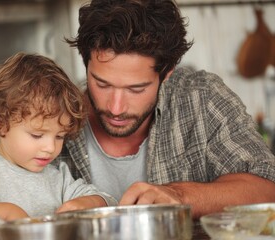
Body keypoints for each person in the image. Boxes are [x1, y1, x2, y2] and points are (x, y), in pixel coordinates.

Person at [55, 0, 275, 219]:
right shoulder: (52, 112)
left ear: (167, 72)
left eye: (136, 89)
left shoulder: (202, 98)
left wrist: (179, 195)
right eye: (102, 84)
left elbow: (268, 188)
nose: (116, 107)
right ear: (86, 64)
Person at [0, 52, 117, 220]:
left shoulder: (58, 177)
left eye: (59, 136)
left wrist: (85, 203)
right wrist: (11, 213)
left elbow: (108, 200)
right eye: (37, 135)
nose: (50, 148)